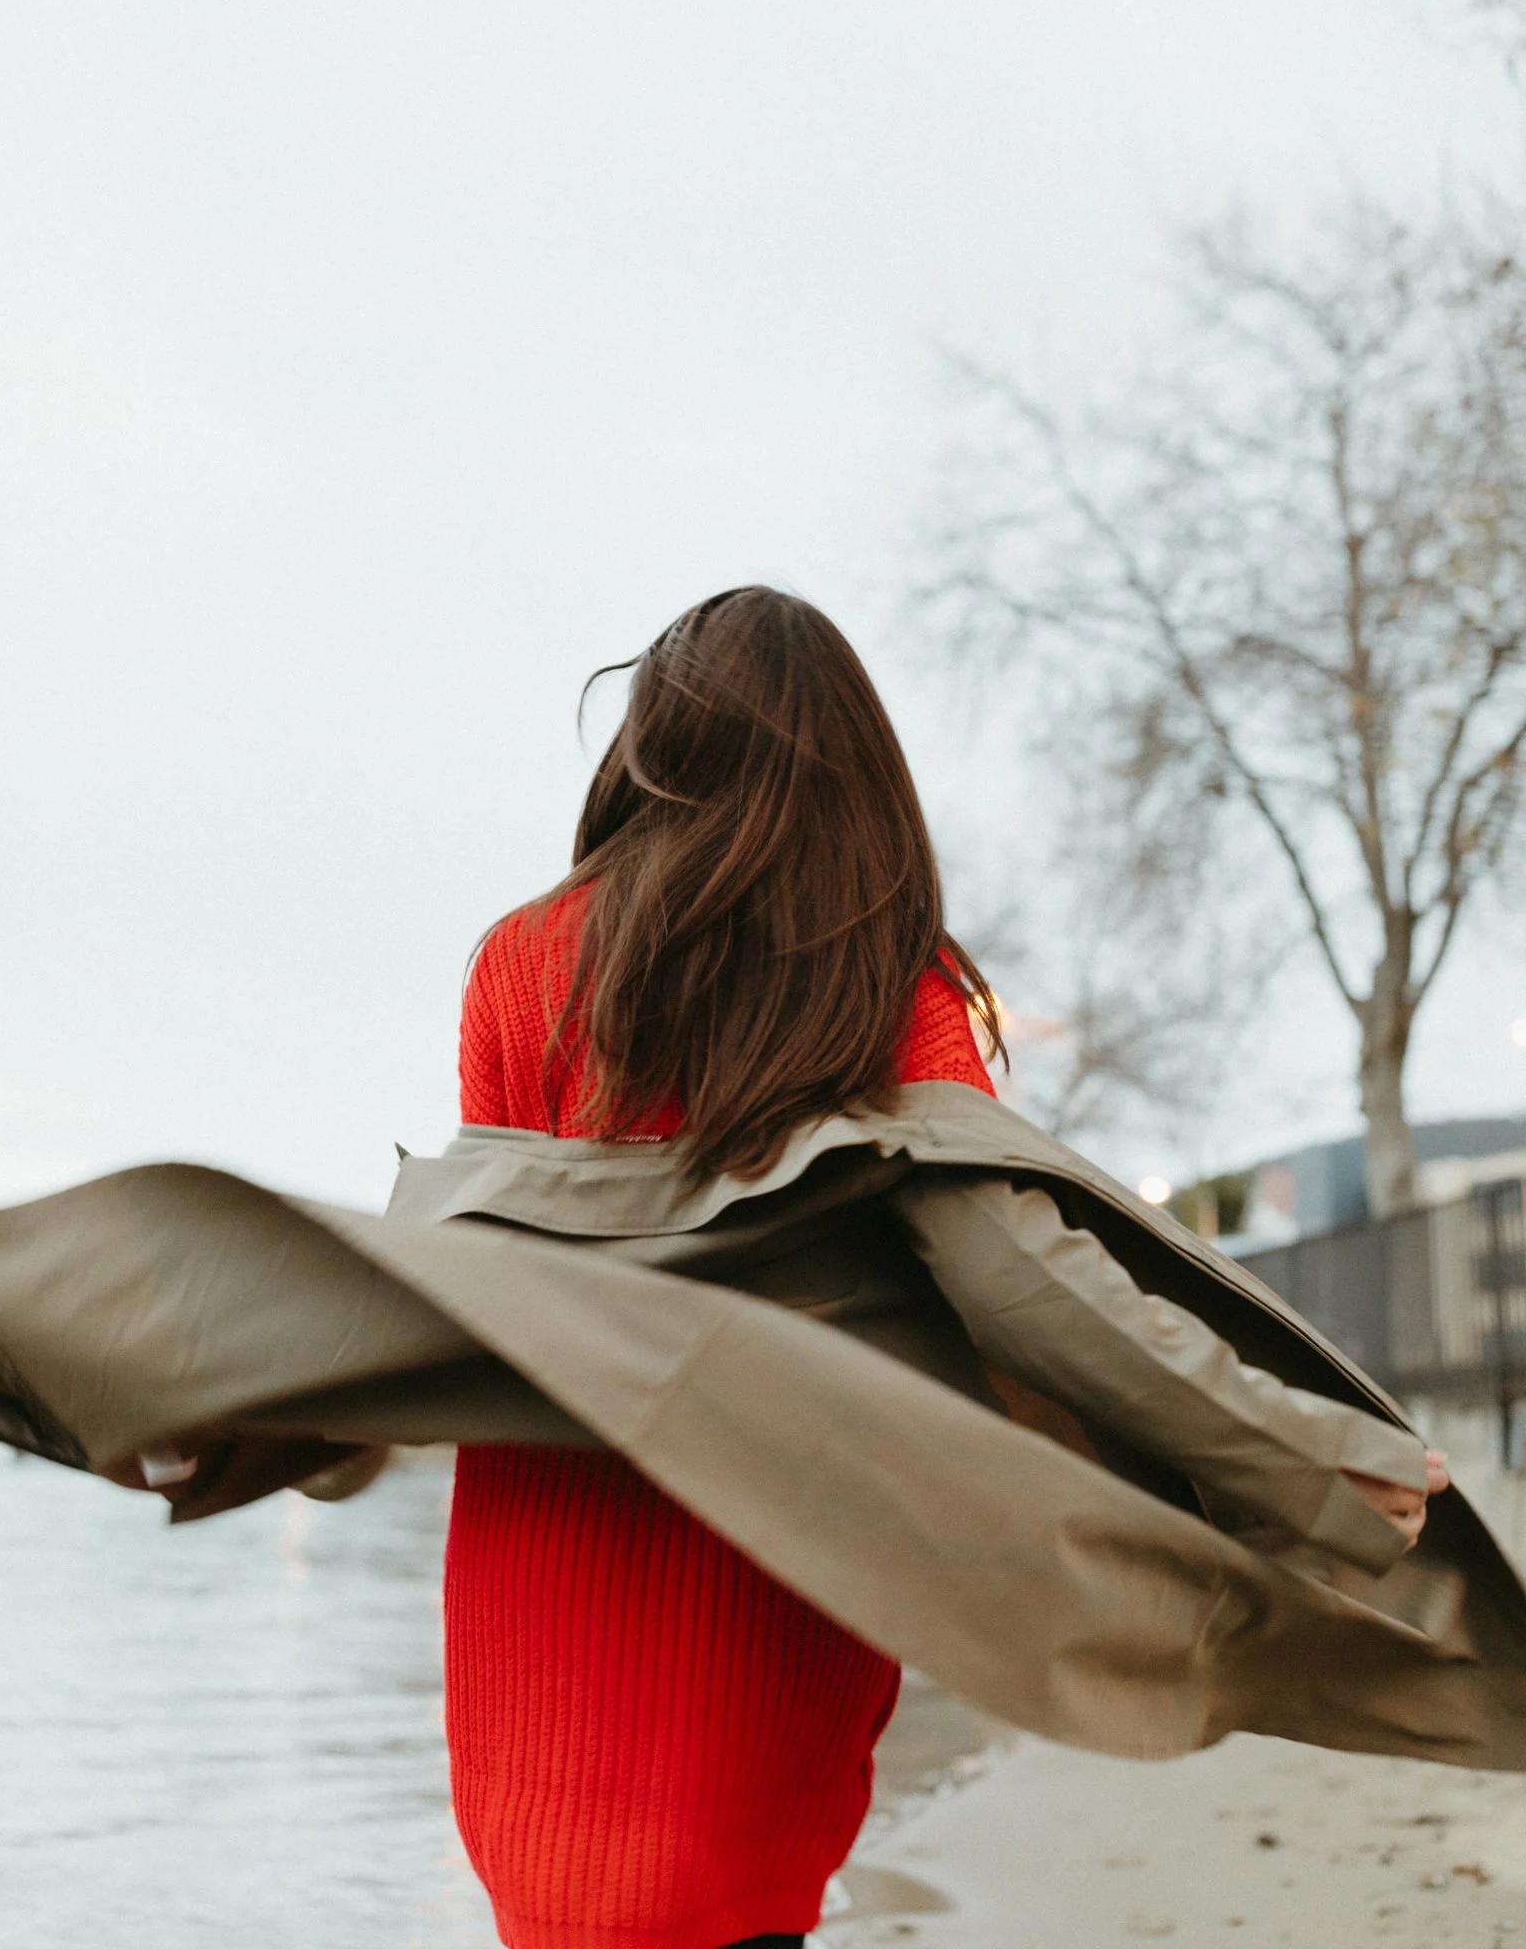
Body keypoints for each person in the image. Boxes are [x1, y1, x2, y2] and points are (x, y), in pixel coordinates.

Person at [433, 585, 1444, 1949]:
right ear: (854, 768)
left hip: (549, 1542)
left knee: (565, 1905)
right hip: (784, 1531)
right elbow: (1028, 1270)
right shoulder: (876, 982)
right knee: (734, 1906)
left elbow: (473, 1278)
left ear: (653, 744)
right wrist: (1307, 1454)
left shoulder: (519, 965)